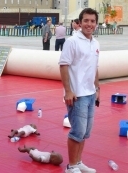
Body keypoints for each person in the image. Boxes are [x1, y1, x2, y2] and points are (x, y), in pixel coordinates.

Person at [59, 8, 100, 173]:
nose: (89, 24)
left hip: (90, 93)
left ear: (96, 24)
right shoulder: (72, 41)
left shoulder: (95, 43)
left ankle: (78, 162)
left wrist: (97, 88)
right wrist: (68, 91)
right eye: (86, 21)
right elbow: (63, 65)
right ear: (80, 22)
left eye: (92, 21)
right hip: (77, 95)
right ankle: (71, 166)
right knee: (77, 131)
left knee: (85, 132)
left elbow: (95, 67)